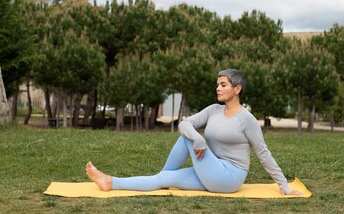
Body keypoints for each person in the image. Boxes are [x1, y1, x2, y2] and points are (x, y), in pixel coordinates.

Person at [86, 68, 302, 196]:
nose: (217, 88)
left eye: (223, 85)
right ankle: (110, 182)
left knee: (187, 139)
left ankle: (162, 177)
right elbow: (185, 124)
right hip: (210, 168)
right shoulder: (213, 110)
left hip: (229, 177)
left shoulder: (248, 120)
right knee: (182, 146)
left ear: (237, 90)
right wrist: (199, 138)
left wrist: (283, 186)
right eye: (217, 84)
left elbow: (264, 154)